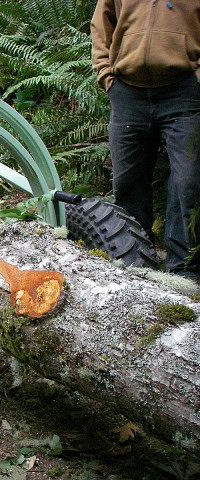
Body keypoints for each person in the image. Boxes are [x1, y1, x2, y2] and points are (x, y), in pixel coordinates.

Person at [91, 0, 200, 282]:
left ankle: (184, 270)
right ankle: (133, 264)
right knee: (128, 182)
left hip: (184, 91)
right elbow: (101, 25)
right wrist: (106, 74)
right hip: (128, 92)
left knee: (188, 183)